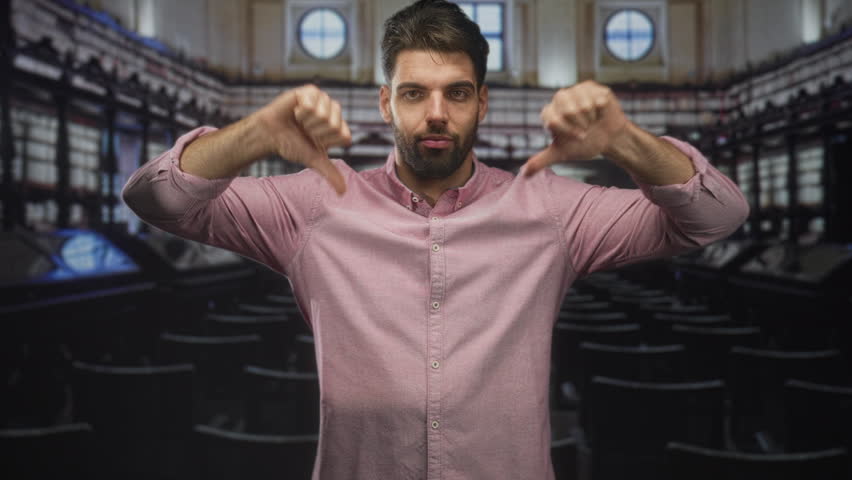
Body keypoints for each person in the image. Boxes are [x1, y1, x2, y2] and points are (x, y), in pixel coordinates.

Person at [121, 0, 749, 478]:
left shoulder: (551, 209)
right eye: (415, 93)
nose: (437, 113)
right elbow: (157, 198)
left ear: (481, 103)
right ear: (386, 104)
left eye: (456, 93)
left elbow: (713, 218)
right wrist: (258, 131)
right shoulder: (312, 203)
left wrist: (621, 137)